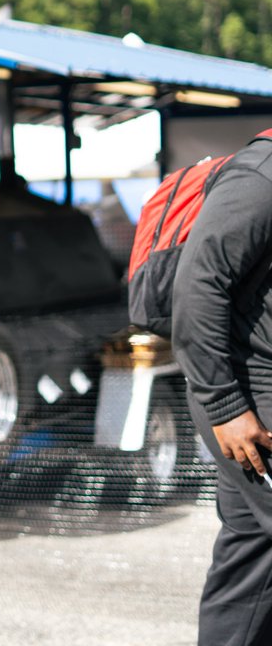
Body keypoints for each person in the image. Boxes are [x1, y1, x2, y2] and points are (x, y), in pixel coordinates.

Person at [172, 132, 272, 646]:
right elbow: (197, 285)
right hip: (250, 394)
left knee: (253, 556)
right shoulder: (261, 176)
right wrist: (226, 404)